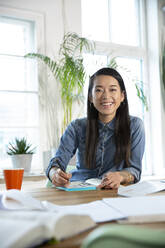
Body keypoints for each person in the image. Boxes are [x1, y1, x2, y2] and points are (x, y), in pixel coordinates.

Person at [46, 67, 145, 189]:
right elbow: (56, 162)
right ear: (90, 97)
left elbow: (135, 170)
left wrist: (120, 176)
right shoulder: (76, 127)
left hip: (115, 192)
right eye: (99, 90)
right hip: (81, 191)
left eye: (112, 89)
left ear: (122, 96)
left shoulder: (135, 126)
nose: (106, 96)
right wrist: (54, 174)